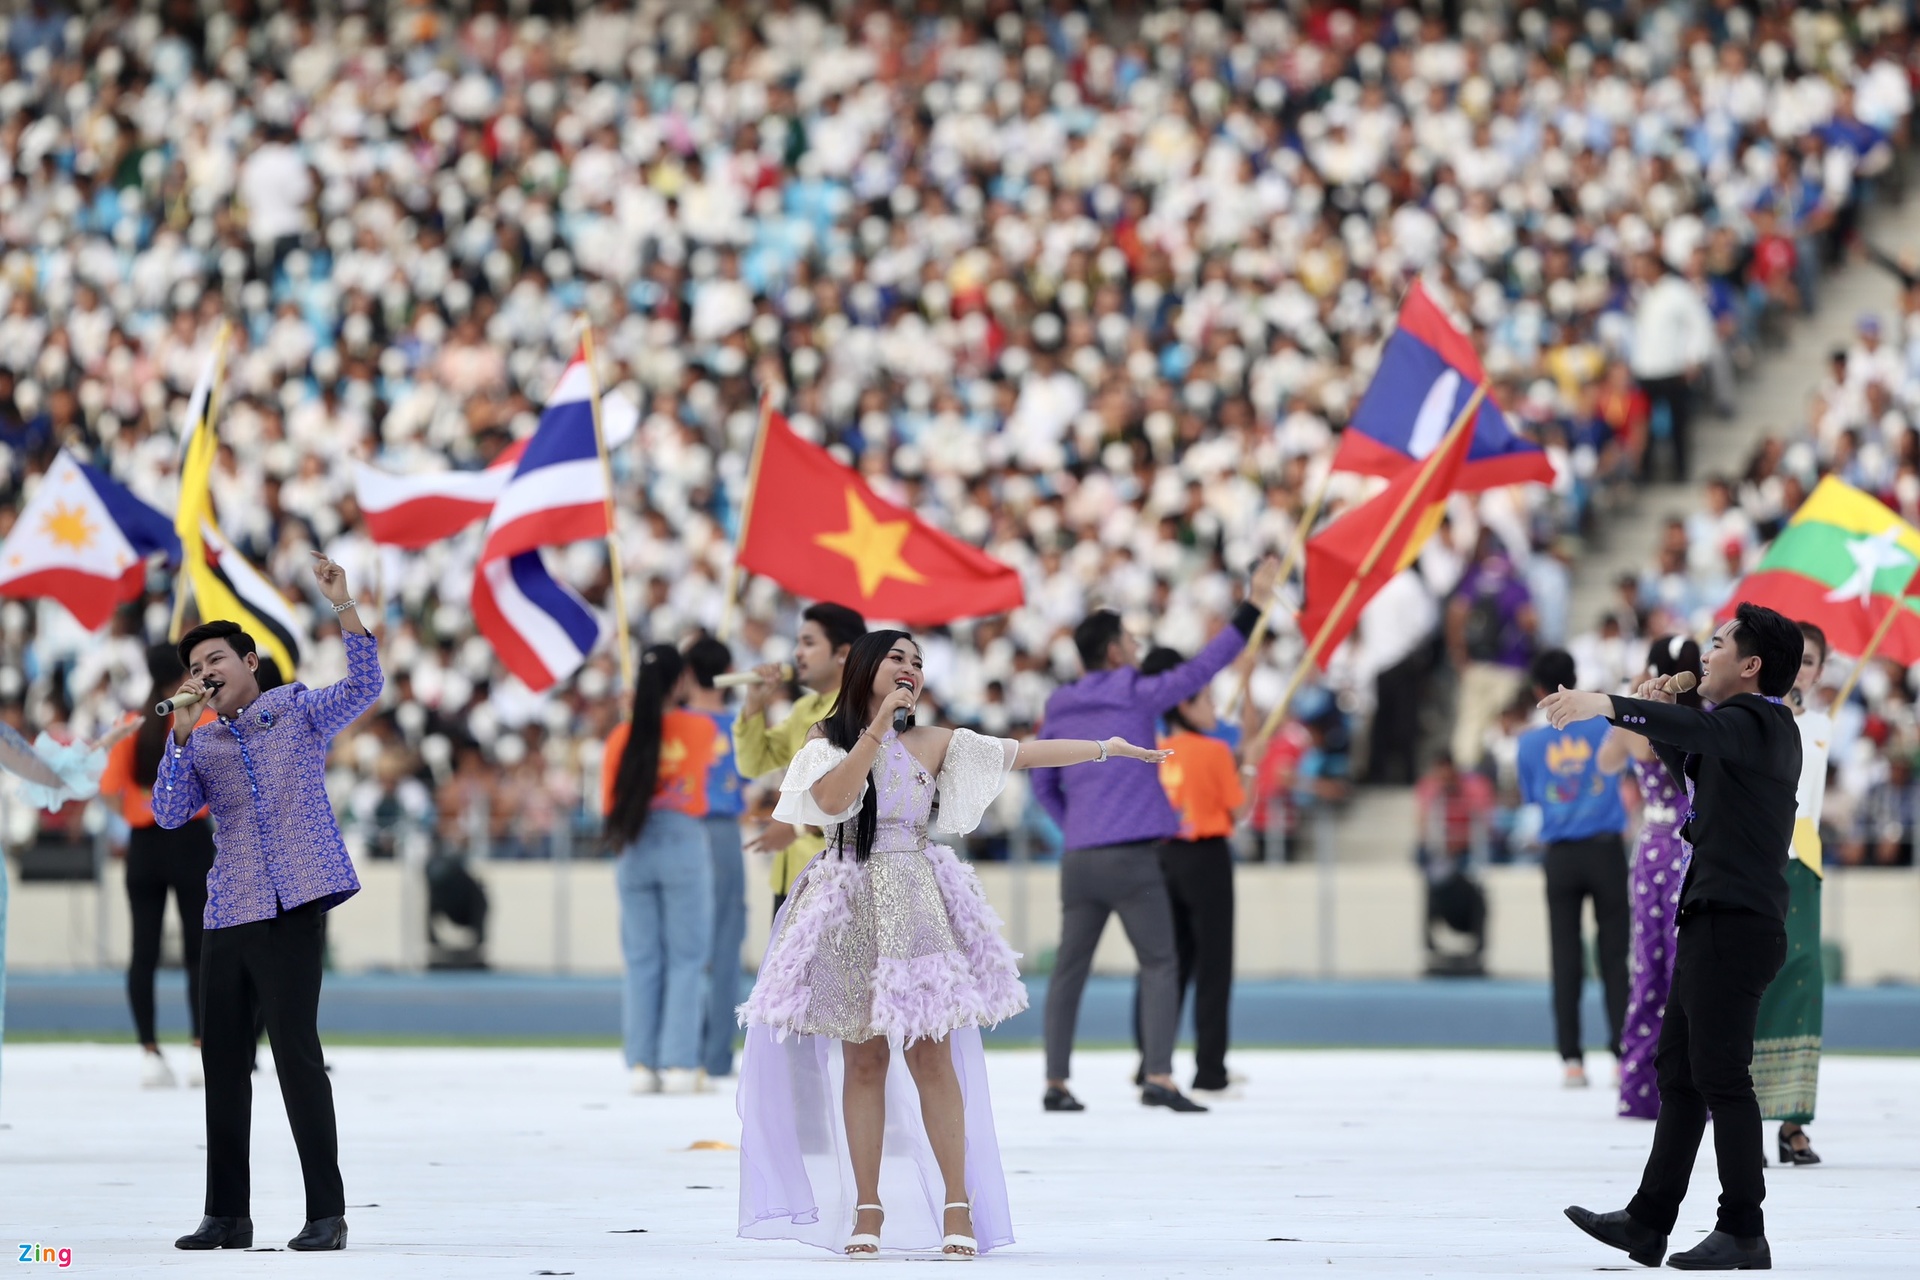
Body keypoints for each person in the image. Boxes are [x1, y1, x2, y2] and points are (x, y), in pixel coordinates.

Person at [736, 630, 1169, 1259]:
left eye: (917, 662)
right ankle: (867, 1205)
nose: (911, 669)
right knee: (863, 1060)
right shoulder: (825, 740)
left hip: (912, 898)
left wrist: (1106, 748)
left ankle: (957, 1201)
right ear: (865, 668)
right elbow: (829, 803)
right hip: (847, 902)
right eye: (897, 658)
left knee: (932, 1056)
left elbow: (1021, 754)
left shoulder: (937, 741)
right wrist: (877, 729)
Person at [1552, 603, 1803, 1272]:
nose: (1705, 657)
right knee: (1681, 1075)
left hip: (1735, 921)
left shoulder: (1760, 720)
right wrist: (1645, 711)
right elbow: (1687, 763)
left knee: (1721, 1078)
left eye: (1717, 646)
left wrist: (1606, 704)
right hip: (1713, 916)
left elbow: (1699, 735)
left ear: (1749, 666)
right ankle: (1648, 1220)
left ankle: (1743, 1230)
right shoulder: (1738, 732)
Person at [155, 552, 380, 1254]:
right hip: (229, 912)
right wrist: (180, 736)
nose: (205, 676)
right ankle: (227, 1214)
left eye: (215, 660)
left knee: (295, 1057)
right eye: (195, 669)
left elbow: (366, 684)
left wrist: (343, 605)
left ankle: (326, 1213)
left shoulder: (296, 709)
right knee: (221, 1062)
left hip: (291, 908)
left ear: (249, 661)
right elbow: (167, 813)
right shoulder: (201, 742)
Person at [1033, 553, 1280, 1114]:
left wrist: (1072, 825)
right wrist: (1255, 604)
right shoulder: (1135, 691)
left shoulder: (1061, 705)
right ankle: (1161, 1077)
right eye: (1131, 642)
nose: (1138, 650)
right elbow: (1205, 667)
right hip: (1134, 856)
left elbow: (1042, 780)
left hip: (1079, 858)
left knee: (1070, 970)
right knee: (1162, 963)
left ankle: (1056, 1081)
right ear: (1117, 651)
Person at [1126, 647, 1245, 1097]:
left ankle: (1149, 1062)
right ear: (1185, 703)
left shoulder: (1148, 750)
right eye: (1206, 700)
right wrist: (1247, 764)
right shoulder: (1213, 752)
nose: (1213, 707)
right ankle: (1210, 1069)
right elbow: (1238, 810)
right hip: (1206, 856)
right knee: (1214, 966)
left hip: (1160, 857)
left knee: (1161, 962)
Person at [98, 645, 217, 1089]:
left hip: (144, 843)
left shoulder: (130, 723)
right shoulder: (199, 719)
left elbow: (108, 790)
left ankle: (148, 1051)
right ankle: (199, 1047)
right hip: (188, 839)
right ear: (182, 674)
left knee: (143, 952)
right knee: (198, 951)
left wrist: (138, 807)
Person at [602, 645, 718, 1095]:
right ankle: (681, 1063)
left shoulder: (621, 736)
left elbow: (609, 804)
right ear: (678, 682)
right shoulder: (700, 729)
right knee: (687, 958)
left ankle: (641, 1065)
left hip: (633, 845)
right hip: (683, 843)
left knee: (642, 958)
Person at [1516, 648, 1632, 1089]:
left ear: (1537, 690)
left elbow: (1531, 800)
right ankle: (1623, 1055)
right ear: (1575, 679)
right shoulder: (1604, 723)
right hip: (1605, 850)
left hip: (1560, 855)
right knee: (1614, 957)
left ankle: (1571, 1061)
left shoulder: (1528, 743)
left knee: (1564, 958)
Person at [1597, 636, 1701, 1121]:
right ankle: (1693, 1091)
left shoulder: (1637, 721)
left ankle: (1638, 1088)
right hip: (1693, 847)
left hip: (1652, 847)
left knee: (1649, 967)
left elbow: (1605, 764)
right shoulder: (1704, 720)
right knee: (1691, 969)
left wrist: (1626, 710)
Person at [1755, 621, 1832, 1164]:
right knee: (1754, 982)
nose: (1802, 669)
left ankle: (1793, 1122)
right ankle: (1743, 1119)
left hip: (1803, 861)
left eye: (1812, 662)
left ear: (1821, 670)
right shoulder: (1758, 720)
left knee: (1804, 981)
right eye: (1796, 659)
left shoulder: (1826, 723)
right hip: (1760, 856)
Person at [733, 602, 866, 913]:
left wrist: (793, 829)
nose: (797, 654)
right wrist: (754, 705)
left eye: (808, 643)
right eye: (798, 643)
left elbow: (852, 798)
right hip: (791, 876)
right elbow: (753, 764)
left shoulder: (860, 711)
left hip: (834, 877)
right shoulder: (803, 710)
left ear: (842, 652)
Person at [684, 635, 748, 1080]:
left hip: (682, 830)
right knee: (726, 943)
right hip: (724, 831)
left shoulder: (671, 724)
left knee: (682, 943)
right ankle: (717, 1053)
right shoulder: (740, 727)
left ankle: (678, 1047)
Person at [1447, 531, 1538, 770]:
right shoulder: (1515, 585)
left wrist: (1460, 656)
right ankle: (1497, 777)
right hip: (1510, 666)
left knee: (1470, 721)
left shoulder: (1475, 579)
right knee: (1501, 723)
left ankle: (1466, 774)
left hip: (1476, 664)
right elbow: (1529, 622)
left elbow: (1456, 614)